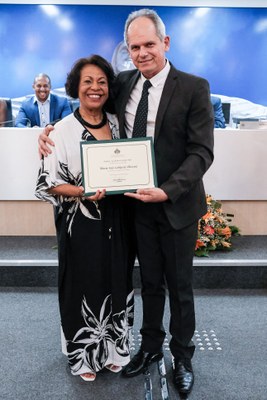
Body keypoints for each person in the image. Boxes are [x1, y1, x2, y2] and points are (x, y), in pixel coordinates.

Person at [38, 8, 214, 396]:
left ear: (165, 43)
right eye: (134, 47)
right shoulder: (123, 83)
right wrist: (50, 129)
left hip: (176, 206)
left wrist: (167, 189)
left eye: (149, 44)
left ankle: (182, 356)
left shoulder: (194, 87)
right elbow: (89, 104)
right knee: (149, 283)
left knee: (179, 287)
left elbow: (201, 153)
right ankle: (150, 348)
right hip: (136, 208)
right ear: (128, 51)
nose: (142, 52)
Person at [35, 55, 134, 382]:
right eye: (88, 81)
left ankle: (116, 350)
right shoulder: (60, 131)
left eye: (102, 82)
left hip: (118, 220)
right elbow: (48, 183)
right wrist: (82, 192)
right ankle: (84, 357)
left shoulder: (119, 124)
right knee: (83, 285)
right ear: (76, 88)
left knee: (117, 279)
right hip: (80, 224)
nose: (95, 87)